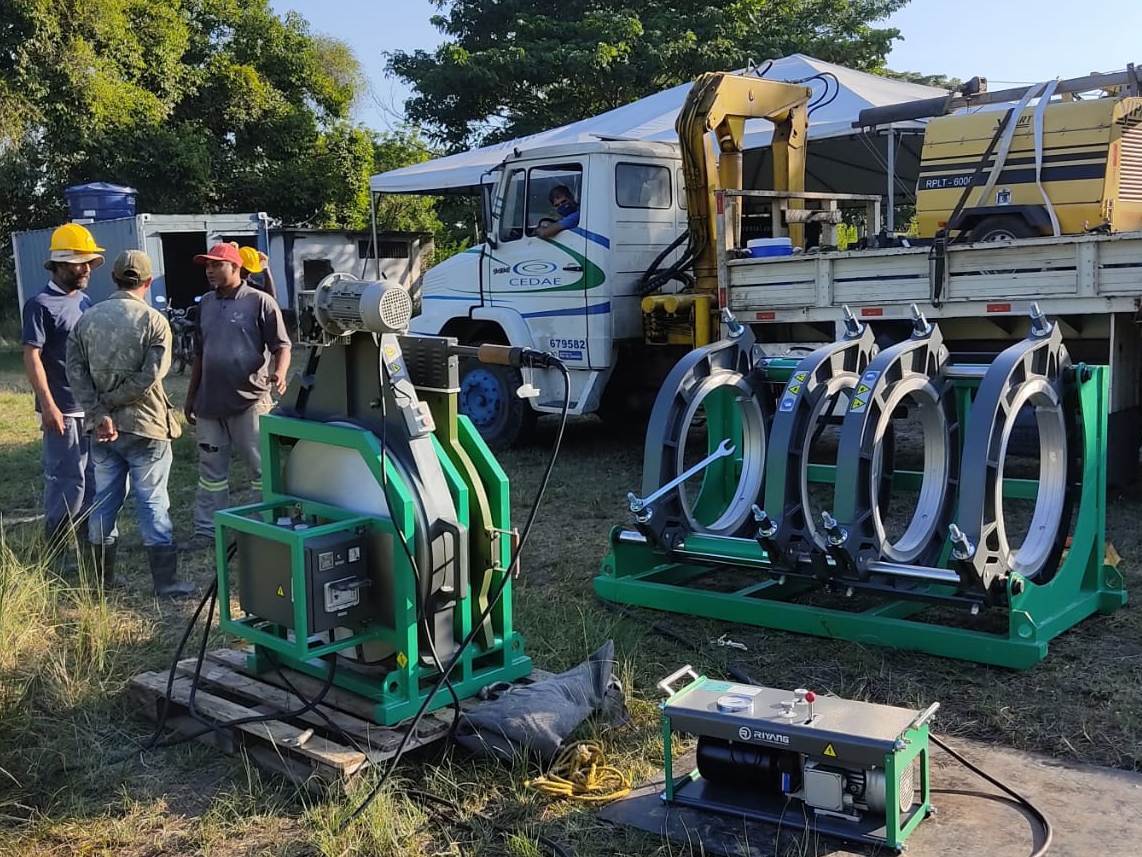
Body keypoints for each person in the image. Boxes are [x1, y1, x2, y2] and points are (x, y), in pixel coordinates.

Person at [66, 251, 194, 597]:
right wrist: (112, 403)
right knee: (152, 500)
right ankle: (165, 583)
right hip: (146, 426)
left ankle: (100, 582)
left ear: (114, 278)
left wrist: (99, 410)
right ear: (149, 282)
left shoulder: (86, 320)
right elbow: (152, 375)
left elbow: (74, 373)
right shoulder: (155, 321)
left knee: (104, 502)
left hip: (102, 429)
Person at [184, 242, 291, 548]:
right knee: (210, 471)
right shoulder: (205, 303)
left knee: (261, 469)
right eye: (207, 266)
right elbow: (200, 355)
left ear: (236, 267)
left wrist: (280, 373)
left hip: (250, 401)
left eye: (216, 265)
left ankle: (263, 528)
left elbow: (282, 345)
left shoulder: (260, 302)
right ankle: (207, 531)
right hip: (210, 404)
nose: (210, 271)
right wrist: (191, 397)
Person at [22, 223, 100, 551]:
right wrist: (49, 406)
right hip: (63, 412)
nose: (85, 269)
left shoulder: (85, 302)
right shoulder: (40, 304)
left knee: (93, 484)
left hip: (91, 410)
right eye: (78, 262)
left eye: (88, 263)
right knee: (67, 483)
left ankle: (88, 554)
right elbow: (32, 355)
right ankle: (54, 557)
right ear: (59, 264)